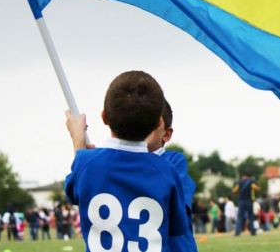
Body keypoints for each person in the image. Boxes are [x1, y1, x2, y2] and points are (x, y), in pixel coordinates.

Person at [64, 71, 189, 252]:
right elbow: (177, 228)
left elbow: (73, 192)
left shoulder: (86, 163)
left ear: (104, 117)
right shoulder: (167, 170)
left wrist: (78, 140)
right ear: (157, 124)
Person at [146, 98, 198, 251]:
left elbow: (173, 210)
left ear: (166, 134)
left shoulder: (175, 162)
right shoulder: (122, 164)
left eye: (149, 125)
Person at [233, 172, 260, 236]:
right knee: (251, 217)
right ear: (248, 176)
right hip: (249, 201)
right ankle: (253, 232)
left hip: (241, 201)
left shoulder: (239, 182)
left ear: (242, 176)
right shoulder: (251, 182)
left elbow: (234, 190)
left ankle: (237, 232)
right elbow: (257, 188)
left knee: (240, 217)